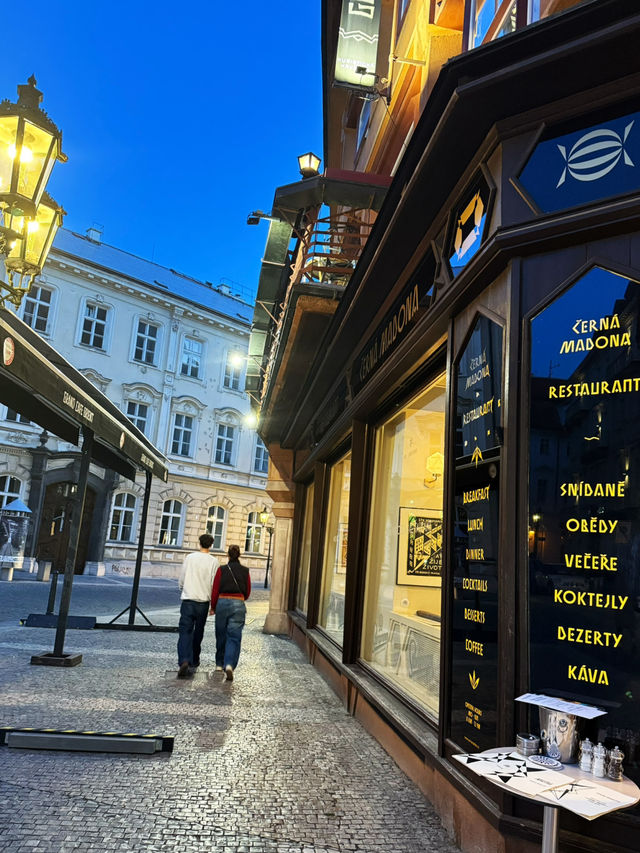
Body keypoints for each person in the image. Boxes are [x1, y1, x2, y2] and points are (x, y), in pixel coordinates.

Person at [177, 533, 219, 678]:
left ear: (199, 543)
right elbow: (214, 584)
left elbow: (182, 576)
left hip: (188, 599)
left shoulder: (190, 558)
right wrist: (213, 605)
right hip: (203, 602)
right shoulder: (214, 561)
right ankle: (194, 659)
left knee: (185, 631)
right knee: (198, 632)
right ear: (211, 545)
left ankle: (184, 659)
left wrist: (182, 586)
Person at [210, 544, 251, 681]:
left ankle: (219, 664)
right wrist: (239, 599)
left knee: (221, 634)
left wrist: (213, 606)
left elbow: (215, 589)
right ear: (239, 555)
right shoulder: (245, 571)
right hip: (238, 603)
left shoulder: (221, 570)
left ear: (227, 555)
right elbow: (248, 591)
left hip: (222, 602)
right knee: (234, 636)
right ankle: (229, 664)